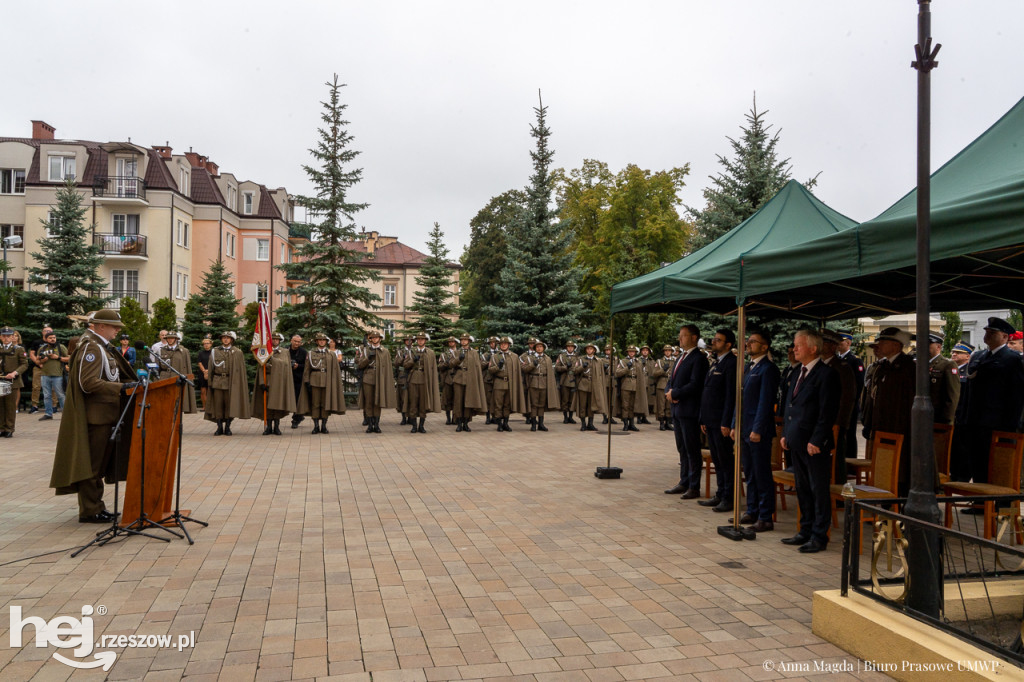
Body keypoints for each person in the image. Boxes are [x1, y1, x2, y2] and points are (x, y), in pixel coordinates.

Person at [49, 309, 135, 523]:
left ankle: (96, 505)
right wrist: (122, 388)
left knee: (98, 465)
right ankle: (90, 510)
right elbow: (88, 383)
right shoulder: (92, 348)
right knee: (92, 465)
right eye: (114, 327)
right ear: (101, 326)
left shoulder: (102, 348)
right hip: (97, 417)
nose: (117, 331)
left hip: (106, 414)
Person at [778, 329, 840, 553]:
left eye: (798, 345)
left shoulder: (826, 374)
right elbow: (790, 406)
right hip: (796, 440)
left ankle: (819, 536)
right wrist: (786, 433)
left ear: (813, 348)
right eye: (794, 345)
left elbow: (827, 412)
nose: (794, 349)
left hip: (814, 444)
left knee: (818, 489)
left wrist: (817, 439)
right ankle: (804, 530)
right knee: (802, 488)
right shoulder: (797, 372)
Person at [961, 317, 1024, 483]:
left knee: (997, 466)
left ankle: (997, 503)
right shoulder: (978, 356)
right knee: (978, 463)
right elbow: (969, 390)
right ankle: (980, 504)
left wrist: (1009, 426)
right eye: (987, 332)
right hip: (975, 421)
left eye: (993, 332)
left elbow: (1016, 395)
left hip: (997, 423)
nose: (987, 335)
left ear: (1005, 337)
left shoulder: (1012, 359)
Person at [732, 330, 781, 532]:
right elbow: (740, 399)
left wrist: (757, 428)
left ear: (764, 346)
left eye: (753, 342)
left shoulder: (768, 369)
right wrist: (735, 423)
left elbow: (765, 402)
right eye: (748, 341)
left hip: (757, 430)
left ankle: (765, 516)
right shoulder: (748, 367)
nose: (748, 344)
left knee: (761, 474)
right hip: (744, 428)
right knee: (750, 473)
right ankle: (751, 510)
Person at [861, 327, 915, 494]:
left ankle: (897, 506)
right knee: (883, 469)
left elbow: (909, 401)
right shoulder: (883, 366)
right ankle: (885, 506)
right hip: (882, 427)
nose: (880, 346)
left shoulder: (908, 368)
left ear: (896, 345)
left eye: (883, 342)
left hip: (899, 428)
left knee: (900, 471)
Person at [664, 325, 708, 499]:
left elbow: (696, 384)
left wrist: (676, 393)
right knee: (682, 448)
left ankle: (694, 486)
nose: (679, 339)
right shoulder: (681, 357)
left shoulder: (699, 359)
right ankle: (683, 482)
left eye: (683, 336)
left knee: (692, 449)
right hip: (677, 409)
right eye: (679, 336)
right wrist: (669, 391)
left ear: (693, 337)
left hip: (689, 410)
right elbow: (672, 379)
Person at [697, 329, 737, 512]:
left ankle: (729, 497)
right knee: (718, 460)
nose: (714, 342)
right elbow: (708, 393)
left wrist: (727, 422)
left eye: (718, 340)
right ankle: (720, 493)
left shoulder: (731, 363)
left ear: (728, 345)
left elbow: (730, 395)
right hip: (711, 420)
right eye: (714, 339)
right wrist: (703, 419)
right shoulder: (716, 362)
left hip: (722, 421)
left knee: (725, 460)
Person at [819, 329, 856, 483]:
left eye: (823, 342)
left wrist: (840, 424)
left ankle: (838, 493)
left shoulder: (842, 367)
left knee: (836, 460)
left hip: (835, 423)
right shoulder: (819, 365)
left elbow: (847, 398)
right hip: (820, 421)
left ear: (832, 346)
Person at [298, 332, 346, 434]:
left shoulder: (331, 354)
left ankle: (324, 426)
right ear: (316, 341)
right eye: (320, 340)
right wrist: (307, 381)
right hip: (314, 381)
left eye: (323, 340)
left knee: (325, 403)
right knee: (315, 404)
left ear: (326, 342)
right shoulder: (311, 354)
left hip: (327, 381)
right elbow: (307, 369)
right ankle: (316, 426)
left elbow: (335, 369)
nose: (322, 341)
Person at [204, 331, 250, 435]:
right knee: (218, 405)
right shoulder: (215, 351)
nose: (225, 339)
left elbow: (240, 370)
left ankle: (228, 427)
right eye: (223, 337)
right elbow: (211, 367)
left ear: (232, 340)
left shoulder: (237, 352)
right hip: (218, 381)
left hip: (231, 382)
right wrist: (210, 383)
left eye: (228, 338)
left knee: (230, 405)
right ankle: (219, 427)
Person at [252, 333, 298, 436]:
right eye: (273, 339)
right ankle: (268, 426)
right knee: (267, 403)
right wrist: (261, 382)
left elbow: (285, 365)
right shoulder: (264, 351)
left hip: (279, 381)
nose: (275, 341)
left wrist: (273, 359)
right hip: (267, 378)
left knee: (277, 403)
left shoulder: (284, 352)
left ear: (279, 341)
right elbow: (261, 367)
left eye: (277, 339)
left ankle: (276, 426)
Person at [355, 330, 395, 433]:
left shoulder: (385, 351)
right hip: (368, 378)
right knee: (369, 402)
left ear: (380, 339)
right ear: (371, 339)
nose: (375, 339)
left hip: (380, 378)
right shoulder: (365, 350)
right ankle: (370, 425)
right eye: (373, 338)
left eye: (377, 338)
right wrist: (368, 358)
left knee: (377, 402)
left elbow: (387, 367)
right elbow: (359, 365)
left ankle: (376, 424)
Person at [404, 332, 441, 433]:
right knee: (413, 402)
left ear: (425, 341)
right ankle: (414, 426)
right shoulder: (411, 352)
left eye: (422, 339)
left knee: (423, 403)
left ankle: (421, 425)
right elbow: (405, 365)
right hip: (413, 378)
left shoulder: (430, 353)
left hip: (425, 379)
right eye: (418, 339)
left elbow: (433, 368)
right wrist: (412, 361)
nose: (420, 341)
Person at [948, 342, 974, 481]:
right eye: (953, 352)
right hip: (953, 417)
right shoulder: (952, 370)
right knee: (952, 449)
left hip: (962, 417)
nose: (954, 354)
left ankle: (962, 476)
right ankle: (953, 473)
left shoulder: (969, 372)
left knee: (962, 449)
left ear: (967, 356)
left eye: (958, 352)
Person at [451, 333, 488, 432]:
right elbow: (451, 364)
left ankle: (466, 423)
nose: (463, 341)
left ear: (469, 341)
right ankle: (458, 423)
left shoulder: (474, 353)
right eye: (462, 339)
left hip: (470, 379)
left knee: (468, 401)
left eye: (465, 339)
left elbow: (477, 367)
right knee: (458, 401)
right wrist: (459, 359)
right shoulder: (456, 352)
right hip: (459, 379)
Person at [521, 339, 560, 432]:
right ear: (535, 348)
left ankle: (541, 424)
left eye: (541, 347)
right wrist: (532, 365)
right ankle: (534, 424)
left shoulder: (547, 359)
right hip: (533, 382)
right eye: (537, 347)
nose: (539, 348)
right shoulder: (529, 358)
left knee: (541, 404)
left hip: (544, 383)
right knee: (534, 404)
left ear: (543, 348)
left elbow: (550, 373)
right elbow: (524, 369)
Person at [487, 336, 524, 432]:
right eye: (501, 344)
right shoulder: (495, 356)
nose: (503, 345)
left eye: (505, 344)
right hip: (499, 383)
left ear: (509, 345)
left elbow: (517, 371)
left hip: (510, 383)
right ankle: (499, 424)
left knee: (507, 404)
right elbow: (490, 370)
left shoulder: (514, 356)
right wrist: (498, 367)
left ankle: (506, 423)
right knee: (498, 404)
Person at [838, 332, 865, 460]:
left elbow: (858, 385)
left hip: (850, 405)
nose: (838, 344)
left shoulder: (854, 361)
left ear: (848, 343)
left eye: (841, 341)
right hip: (839, 404)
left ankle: (850, 460)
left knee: (849, 434)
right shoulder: (836, 360)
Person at [157, 329, 198, 414]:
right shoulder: (162, 350)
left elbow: (188, 367)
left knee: (177, 402)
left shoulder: (184, 351)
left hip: (177, 378)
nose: (170, 340)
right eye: (168, 338)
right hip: (165, 377)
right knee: (166, 401)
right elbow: (158, 367)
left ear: (176, 339)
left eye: (172, 338)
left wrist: (188, 379)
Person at [0, 326, 29, 437]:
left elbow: (24, 364)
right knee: (1, 405)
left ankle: (9, 428)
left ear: (13, 337)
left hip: (13, 380)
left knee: (10, 406)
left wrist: (14, 373)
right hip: (1, 380)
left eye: (9, 336)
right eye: (4, 336)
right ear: (1, 337)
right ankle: (1, 428)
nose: (6, 338)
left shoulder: (18, 349)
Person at [926, 333, 960, 425]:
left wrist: (947, 420)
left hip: (937, 418)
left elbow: (952, 395)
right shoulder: (918, 364)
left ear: (938, 347)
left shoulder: (947, 365)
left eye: (928, 343)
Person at [571, 342, 606, 431]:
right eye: (587, 349)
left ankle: (590, 424)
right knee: (582, 405)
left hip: (594, 385)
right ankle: (583, 424)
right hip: (583, 384)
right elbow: (574, 371)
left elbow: (601, 374)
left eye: (591, 349)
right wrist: (582, 367)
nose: (589, 350)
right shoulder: (580, 360)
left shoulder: (598, 361)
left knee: (592, 405)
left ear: (594, 350)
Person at [36, 330, 69, 420]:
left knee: (60, 395)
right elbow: (38, 361)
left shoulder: (60, 347)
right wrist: (43, 360)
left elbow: (69, 358)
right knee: (46, 395)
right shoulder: (42, 348)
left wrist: (57, 357)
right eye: (50, 338)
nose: (53, 339)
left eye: (54, 338)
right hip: (45, 374)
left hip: (58, 375)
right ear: (46, 339)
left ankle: (66, 414)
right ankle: (48, 413)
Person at [614, 346, 647, 432]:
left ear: (635, 353)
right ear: (627, 352)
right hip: (626, 385)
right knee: (625, 405)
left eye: (633, 351)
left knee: (632, 405)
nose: (632, 353)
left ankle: (631, 424)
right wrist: (627, 368)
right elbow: (617, 373)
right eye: (630, 351)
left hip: (636, 385)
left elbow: (641, 374)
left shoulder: (638, 362)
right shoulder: (623, 361)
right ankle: (625, 424)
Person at [26, 325, 53, 414]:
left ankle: (54, 406)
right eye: (46, 331)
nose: (48, 332)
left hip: (51, 368)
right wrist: (38, 363)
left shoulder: (55, 342)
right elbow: (32, 354)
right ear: (42, 333)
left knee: (53, 388)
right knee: (36, 387)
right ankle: (34, 406)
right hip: (38, 368)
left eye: (49, 331)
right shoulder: (36, 342)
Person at [651, 345, 674, 430]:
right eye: (666, 350)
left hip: (671, 384)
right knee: (661, 405)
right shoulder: (659, 361)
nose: (668, 352)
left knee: (669, 404)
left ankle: (668, 422)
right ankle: (661, 422)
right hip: (661, 384)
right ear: (664, 352)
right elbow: (654, 373)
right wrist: (662, 370)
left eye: (669, 350)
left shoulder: (674, 361)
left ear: (671, 352)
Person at [555, 341, 578, 424]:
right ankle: (565, 417)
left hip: (574, 380)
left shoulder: (577, 357)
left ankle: (571, 417)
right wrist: (565, 367)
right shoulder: (561, 356)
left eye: (572, 347)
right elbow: (557, 368)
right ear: (566, 348)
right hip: (564, 380)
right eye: (568, 346)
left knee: (572, 400)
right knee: (565, 400)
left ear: (574, 348)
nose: (570, 348)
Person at [438, 336, 459, 425]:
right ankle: (448, 418)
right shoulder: (444, 354)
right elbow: (440, 366)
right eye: (449, 342)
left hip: (458, 378)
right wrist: (446, 363)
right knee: (447, 399)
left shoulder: (459, 353)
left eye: (452, 342)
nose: (451, 343)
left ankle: (455, 418)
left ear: (456, 343)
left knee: (457, 399)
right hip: (448, 378)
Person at [287, 334, 307, 428]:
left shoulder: (303, 352)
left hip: (299, 379)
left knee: (297, 399)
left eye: (298, 342)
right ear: (291, 341)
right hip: (287, 378)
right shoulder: (285, 350)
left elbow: (307, 366)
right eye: (295, 341)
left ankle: (296, 418)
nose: (296, 343)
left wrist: (298, 366)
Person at [393, 336, 413, 426]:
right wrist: (402, 358)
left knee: (411, 398)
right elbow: (396, 363)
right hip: (402, 376)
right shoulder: (400, 352)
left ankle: (411, 417)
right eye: (406, 341)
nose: (408, 342)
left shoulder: (414, 351)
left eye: (410, 341)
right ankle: (404, 417)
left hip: (412, 376)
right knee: (403, 398)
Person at [481, 336, 498, 424]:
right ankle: (487, 417)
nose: (492, 344)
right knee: (488, 398)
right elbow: (480, 365)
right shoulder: (485, 355)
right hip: (487, 379)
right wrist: (487, 362)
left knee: (496, 399)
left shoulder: (499, 354)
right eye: (491, 343)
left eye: (494, 342)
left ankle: (495, 417)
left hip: (497, 379)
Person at [601, 345, 620, 425]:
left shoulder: (616, 359)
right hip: (605, 380)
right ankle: (604, 417)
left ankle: (610, 417)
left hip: (613, 380)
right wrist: (604, 368)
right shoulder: (602, 360)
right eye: (607, 350)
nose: (608, 351)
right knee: (605, 399)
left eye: (610, 350)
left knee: (612, 400)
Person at [195, 336, 212, 410]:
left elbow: (214, 362)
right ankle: (204, 406)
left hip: (211, 373)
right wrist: (204, 371)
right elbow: (199, 362)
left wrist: (209, 371)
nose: (206, 345)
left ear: (211, 344)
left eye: (207, 343)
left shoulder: (213, 352)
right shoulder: (201, 353)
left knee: (210, 390)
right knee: (203, 391)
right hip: (202, 373)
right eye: (204, 344)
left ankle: (210, 407)